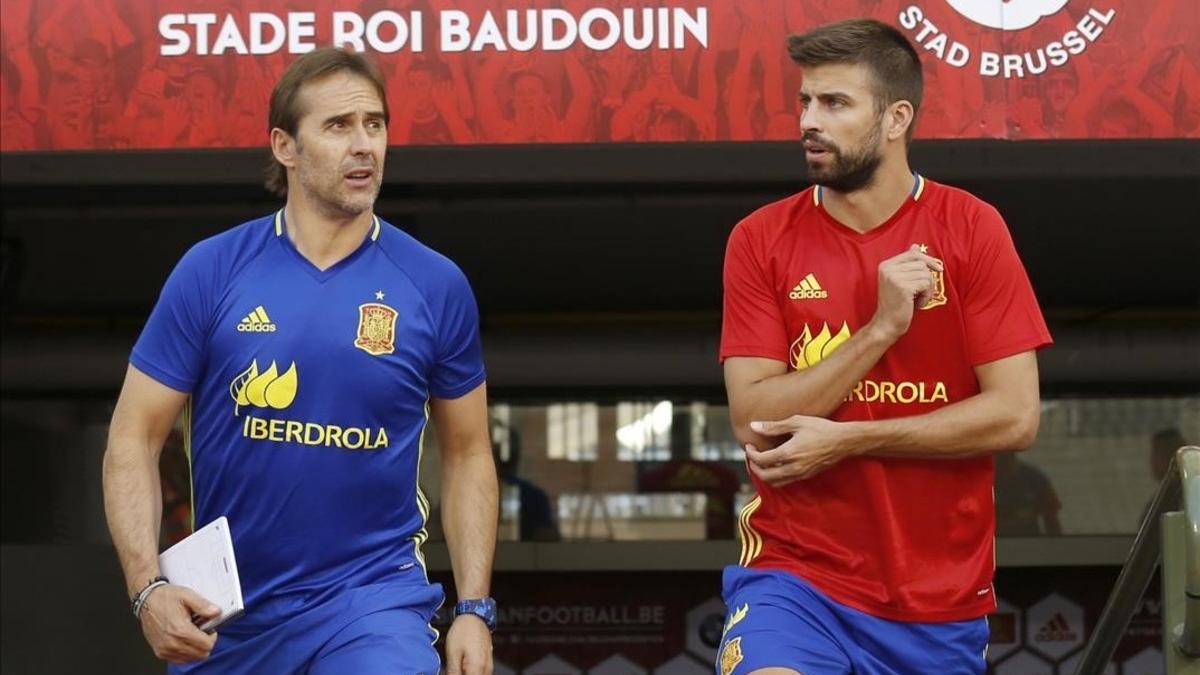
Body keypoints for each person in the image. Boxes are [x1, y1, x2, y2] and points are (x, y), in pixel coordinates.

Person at [102, 47, 498, 675]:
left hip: (373, 603)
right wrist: (146, 589)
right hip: (228, 615)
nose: (364, 144)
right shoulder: (211, 270)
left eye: (375, 123)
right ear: (285, 146)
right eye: (338, 126)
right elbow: (133, 436)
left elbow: (470, 452)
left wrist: (475, 606)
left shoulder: (434, 284)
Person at [716, 19, 1052, 675]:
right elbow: (752, 420)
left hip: (939, 603)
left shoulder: (972, 228)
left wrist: (850, 438)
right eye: (806, 101)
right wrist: (879, 329)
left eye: (836, 103)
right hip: (796, 579)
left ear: (897, 118)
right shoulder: (760, 238)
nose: (809, 120)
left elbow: (1015, 415)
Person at [993, 451, 1062, 536]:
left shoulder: (1036, 480)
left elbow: (1052, 522)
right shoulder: (981, 481)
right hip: (993, 544)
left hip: (1028, 542)